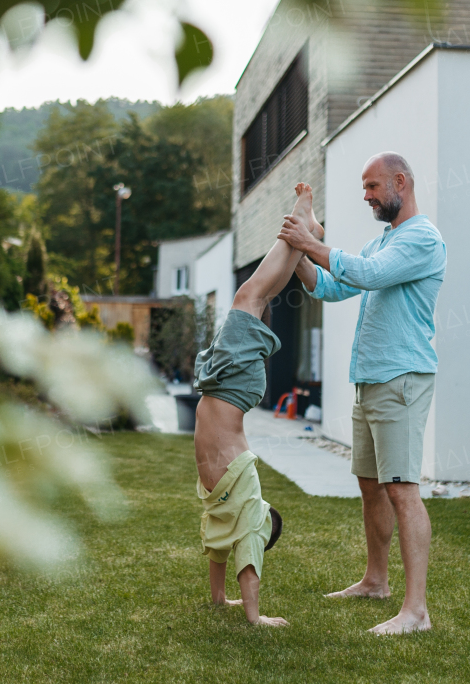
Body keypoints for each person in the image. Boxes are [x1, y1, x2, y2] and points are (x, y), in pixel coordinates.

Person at [278, 152, 446, 636]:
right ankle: (376, 581)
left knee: (402, 489)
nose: (367, 196)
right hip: (370, 379)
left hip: (402, 378)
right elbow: (332, 287)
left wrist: (311, 241)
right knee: (371, 485)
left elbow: (367, 275)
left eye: (373, 187)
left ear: (401, 182)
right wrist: (300, 255)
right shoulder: (384, 240)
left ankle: (416, 612)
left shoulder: (422, 240)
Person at [193, 183, 323, 627]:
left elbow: (218, 547)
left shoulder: (223, 506)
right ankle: (299, 229)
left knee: (252, 297)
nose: (259, 518)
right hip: (230, 387)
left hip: (220, 385)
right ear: (262, 518)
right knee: (250, 297)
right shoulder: (246, 497)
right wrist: (255, 618)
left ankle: (299, 235)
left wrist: (221, 601)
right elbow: (247, 550)